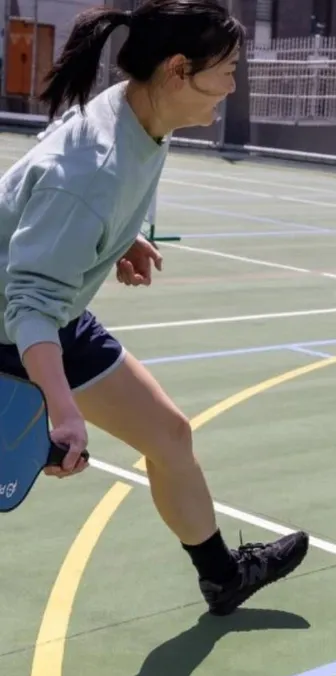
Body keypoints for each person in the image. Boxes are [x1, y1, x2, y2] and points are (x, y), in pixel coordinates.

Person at [0, 0, 309, 616]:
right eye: (226, 70)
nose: (232, 85)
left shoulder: (137, 117)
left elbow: (55, 224)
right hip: (21, 323)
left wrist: (117, 238)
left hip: (49, 312)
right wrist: (63, 412)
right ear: (176, 70)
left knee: (169, 435)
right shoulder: (93, 171)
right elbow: (29, 303)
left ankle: (223, 577)